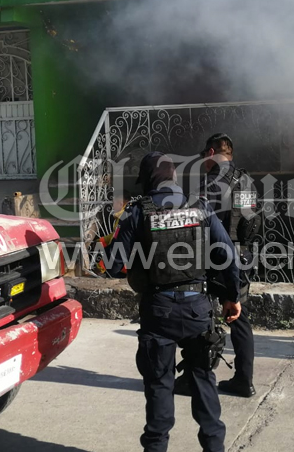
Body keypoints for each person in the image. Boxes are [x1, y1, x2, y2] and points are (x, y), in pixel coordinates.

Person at [105, 151, 242, 452]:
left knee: (158, 386)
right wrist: (232, 297)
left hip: (158, 311)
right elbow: (228, 255)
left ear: (148, 179)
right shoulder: (200, 206)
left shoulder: (136, 212)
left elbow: (113, 266)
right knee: (203, 379)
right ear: (174, 176)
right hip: (198, 309)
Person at [180, 132, 259, 398]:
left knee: (199, 317)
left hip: (213, 259)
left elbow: (196, 225)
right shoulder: (246, 181)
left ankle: (194, 378)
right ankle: (244, 380)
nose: (203, 160)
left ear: (211, 153)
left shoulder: (208, 184)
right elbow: (250, 222)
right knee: (240, 319)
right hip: (242, 257)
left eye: (204, 155)